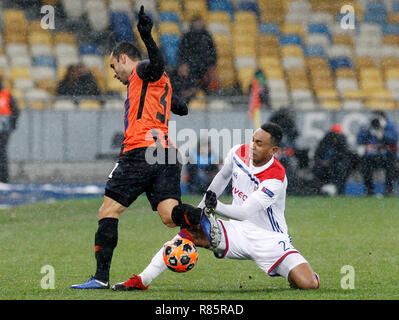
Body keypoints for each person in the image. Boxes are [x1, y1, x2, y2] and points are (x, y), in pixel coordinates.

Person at [71, 6, 202, 290]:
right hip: (167, 154)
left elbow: (154, 64)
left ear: (123, 59)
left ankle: (100, 277)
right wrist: (168, 102)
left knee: (108, 211)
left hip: (141, 152)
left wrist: (146, 35)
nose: (114, 73)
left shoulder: (142, 71)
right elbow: (183, 108)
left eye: (113, 66)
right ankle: (203, 219)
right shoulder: (159, 84)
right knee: (170, 216)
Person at [112, 123, 319, 291]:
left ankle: (293, 273)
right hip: (237, 232)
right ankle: (142, 279)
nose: (253, 146)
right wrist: (201, 210)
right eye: (253, 140)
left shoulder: (276, 177)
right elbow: (222, 176)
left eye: (260, 144)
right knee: (191, 231)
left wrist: (216, 206)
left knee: (307, 284)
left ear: (273, 150)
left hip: (270, 239)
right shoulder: (239, 153)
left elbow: (246, 211)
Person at [357, 111, 398, 196]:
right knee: (365, 165)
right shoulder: (367, 126)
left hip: (387, 155)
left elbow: (394, 139)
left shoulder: (390, 126)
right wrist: (369, 131)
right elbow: (359, 140)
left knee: (391, 166)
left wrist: (382, 134)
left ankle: (388, 190)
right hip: (371, 156)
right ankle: (369, 190)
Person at [312, 123, 357, 196]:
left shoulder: (342, 142)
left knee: (341, 171)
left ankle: (338, 191)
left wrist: (330, 161)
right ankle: (319, 191)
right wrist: (321, 162)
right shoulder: (325, 141)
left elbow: (342, 155)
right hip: (323, 165)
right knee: (317, 170)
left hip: (336, 165)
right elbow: (317, 154)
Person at [177, 15, 217, 93]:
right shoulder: (187, 36)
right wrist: (183, 63)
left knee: (206, 89)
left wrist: (211, 64)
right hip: (191, 68)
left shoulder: (207, 36)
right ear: (192, 23)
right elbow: (182, 51)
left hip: (205, 67)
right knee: (190, 89)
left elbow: (213, 52)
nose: (198, 24)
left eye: (199, 22)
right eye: (196, 22)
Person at [0, 77, 19, 183]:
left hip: (3, 129)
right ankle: (3, 178)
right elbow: (15, 111)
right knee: (2, 153)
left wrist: (13, 124)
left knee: (2, 153)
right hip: (5, 127)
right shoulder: (6, 95)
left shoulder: (6, 95)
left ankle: (3, 178)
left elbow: (15, 110)